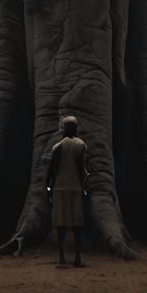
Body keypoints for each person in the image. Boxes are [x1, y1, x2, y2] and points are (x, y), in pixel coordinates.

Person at [46, 115, 88, 268]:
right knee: (77, 223)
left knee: (60, 223)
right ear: (76, 129)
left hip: (59, 188)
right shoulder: (81, 145)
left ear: (63, 130)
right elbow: (81, 168)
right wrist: (85, 186)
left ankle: (61, 257)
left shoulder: (57, 147)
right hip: (75, 187)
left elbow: (52, 169)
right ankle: (77, 258)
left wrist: (48, 186)